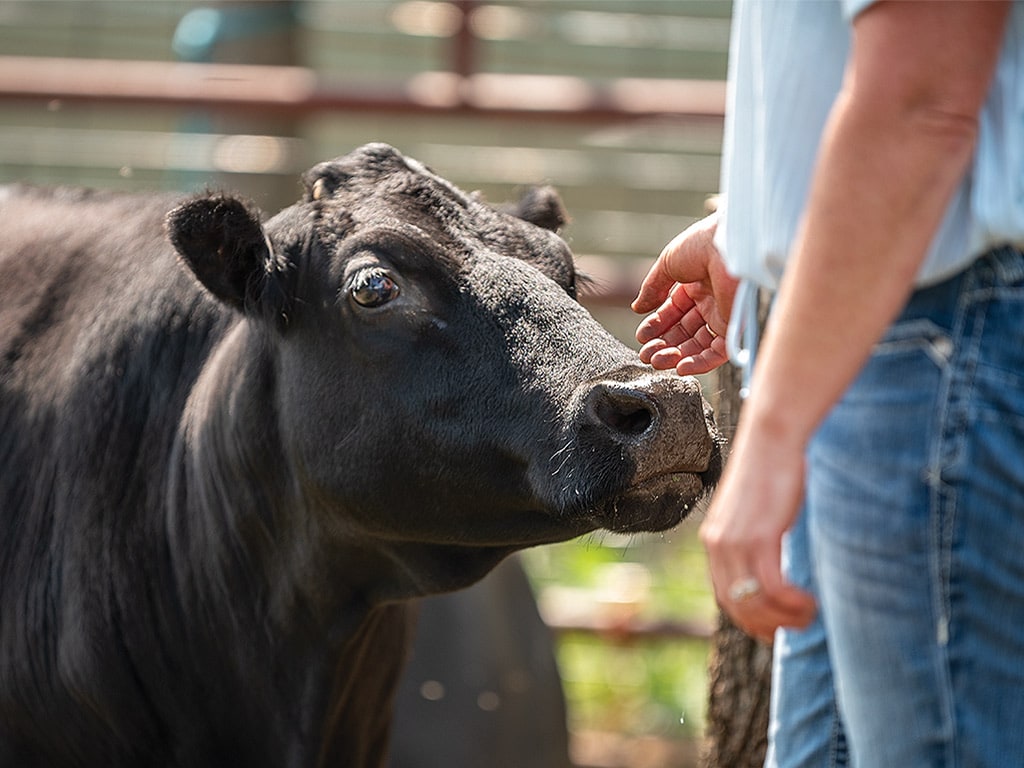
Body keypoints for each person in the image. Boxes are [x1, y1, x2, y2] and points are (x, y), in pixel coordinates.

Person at [632, 1, 1024, 766]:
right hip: (888, 324)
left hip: (935, 337)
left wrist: (771, 438)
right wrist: (754, 226)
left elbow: (922, 96)